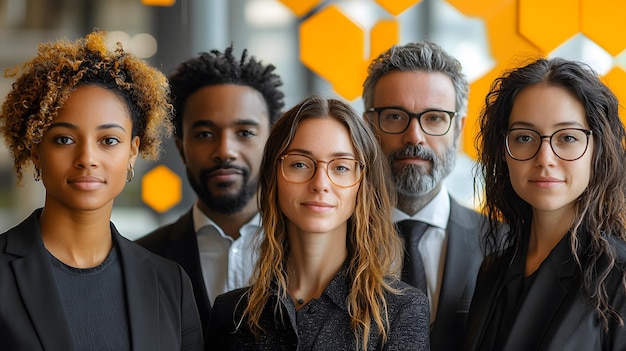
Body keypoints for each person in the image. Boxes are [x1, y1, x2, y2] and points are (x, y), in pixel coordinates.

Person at [0, 30, 203, 350]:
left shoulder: (170, 285)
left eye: (109, 141)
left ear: (133, 152)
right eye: (64, 139)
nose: (87, 159)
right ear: (36, 150)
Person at [206, 96, 430, 350]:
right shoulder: (231, 314)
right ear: (273, 178)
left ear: (363, 184)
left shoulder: (400, 311)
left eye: (341, 167)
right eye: (300, 164)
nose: (320, 183)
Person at [464, 57, 626, 350]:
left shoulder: (620, 277)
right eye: (525, 137)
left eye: (567, 138)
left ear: (597, 149)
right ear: (503, 150)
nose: (545, 158)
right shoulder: (493, 271)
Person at [136, 46, 285, 337]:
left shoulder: (314, 251)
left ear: (273, 142)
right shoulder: (141, 261)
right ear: (181, 148)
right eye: (205, 134)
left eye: (245, 133)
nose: (225, 151)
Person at [362, 40, 486, 350]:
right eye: (394, 116)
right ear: (368, 127)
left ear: (458, 129)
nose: (414, 136)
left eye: (434, 118)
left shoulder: (505, 243)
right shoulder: (330, 242)